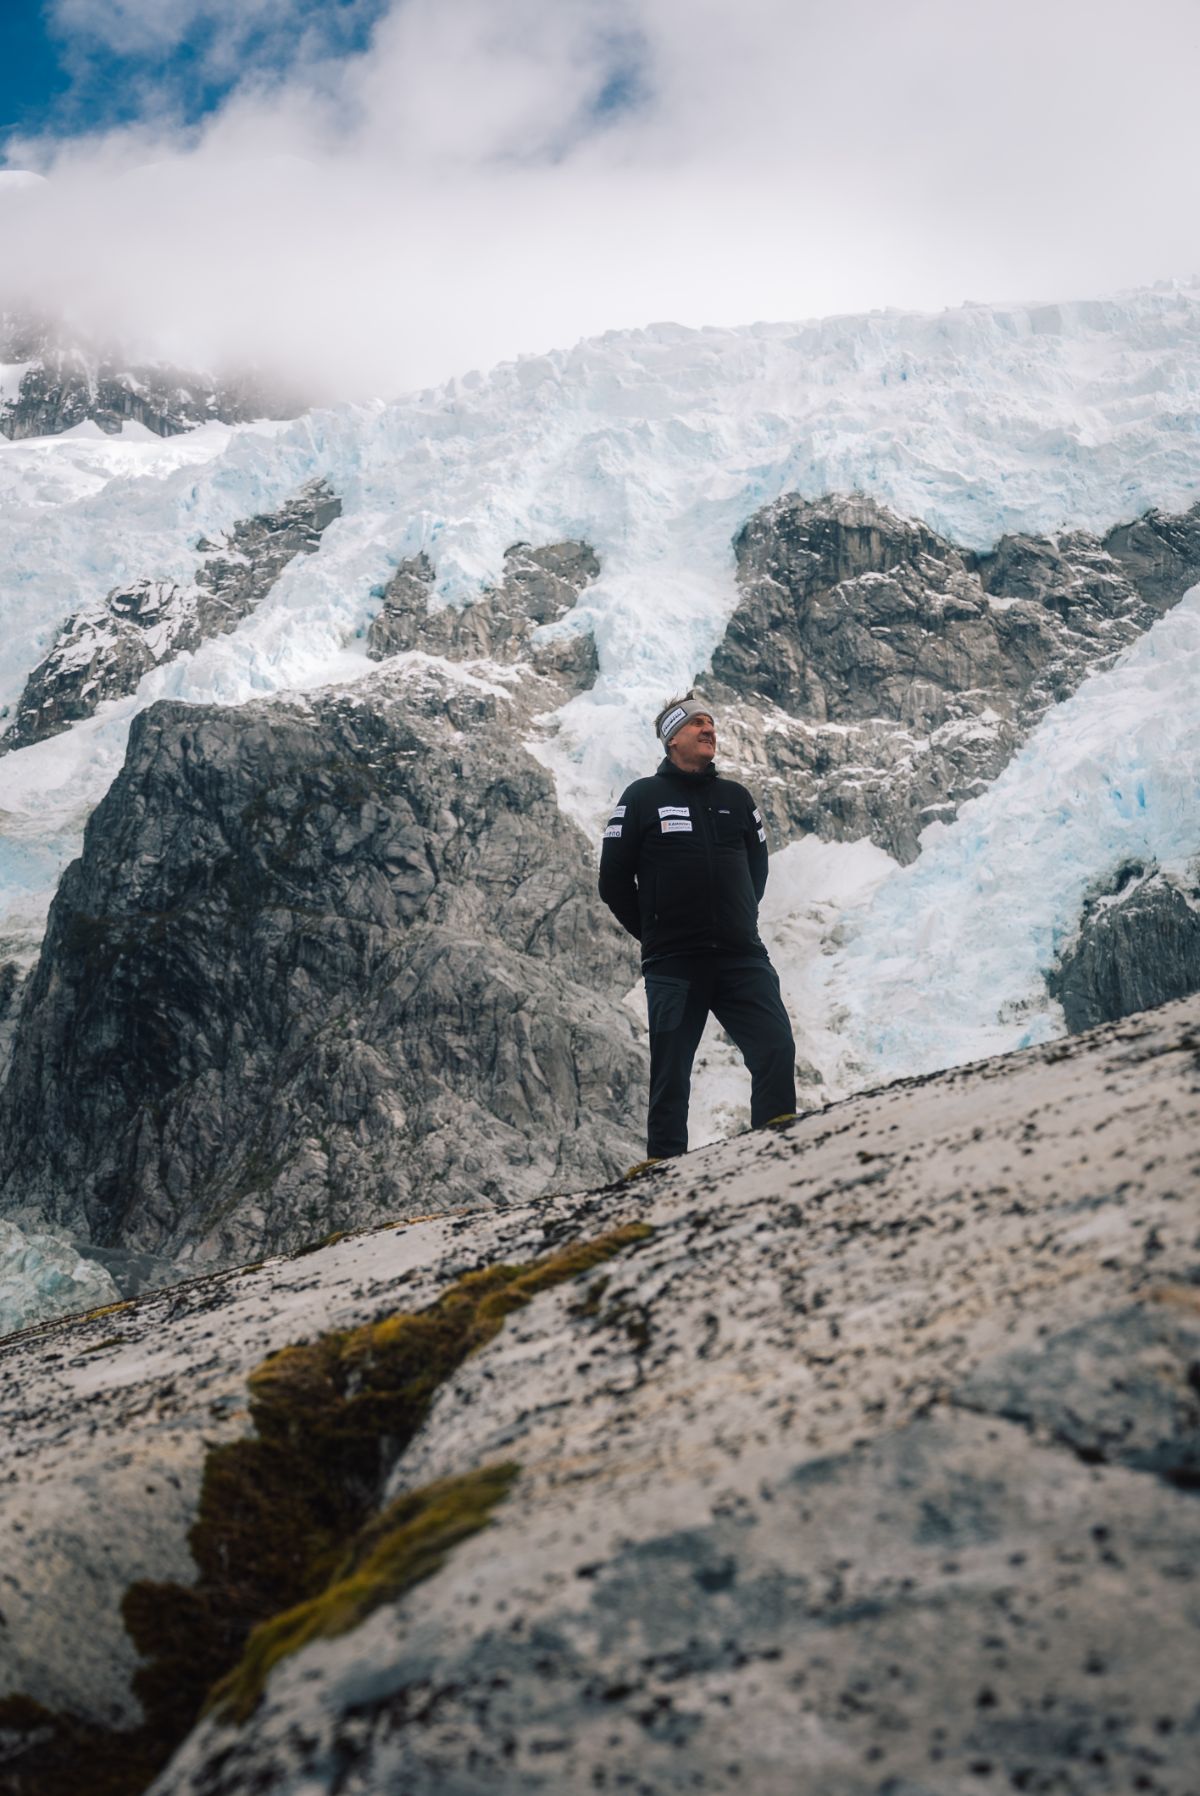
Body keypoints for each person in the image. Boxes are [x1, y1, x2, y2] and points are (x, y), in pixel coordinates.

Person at [599, 692, 796, 1159]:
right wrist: (657, 932)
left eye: (711, 723)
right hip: (674, 963)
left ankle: (774, 1154)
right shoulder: (642, 797)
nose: (709, 730)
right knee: (671, 1076)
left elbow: (757, 870)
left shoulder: (736, 798)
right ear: (672, 739)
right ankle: (664, 1173)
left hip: (740, 956)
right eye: (696, 724)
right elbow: (612, 882)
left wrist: (738, 917)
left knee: (775, 1049)